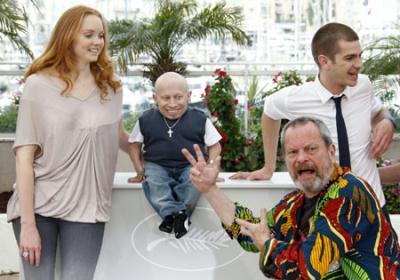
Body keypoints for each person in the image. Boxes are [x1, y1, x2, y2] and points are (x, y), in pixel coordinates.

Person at [182, 117, 400, 279]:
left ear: (332, 151)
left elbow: (308, 268)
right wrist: (209, 190)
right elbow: (251, 234)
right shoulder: (294, 204)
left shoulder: (348, 193)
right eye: (293, 152)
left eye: (311, 148)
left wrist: (267, 244)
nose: (302, 158)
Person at [6, 6, 128, 280]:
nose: (98, 42)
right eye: (89, 35)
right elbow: (24, 156)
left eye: (101, 35)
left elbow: (121, 137)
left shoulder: (112, 88)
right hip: (37, 205)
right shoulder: (38, 85)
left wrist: (149, 158)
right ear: (68, 36)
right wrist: (27, 225)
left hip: (88, 205)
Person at [231, 23, 395, 215]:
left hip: (373, 206)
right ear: (324, 61)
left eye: (360, 56)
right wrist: (269, 167)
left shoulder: (363, 85)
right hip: (328, 213)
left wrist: (387, 122)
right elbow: (270, 111)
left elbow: (377, 111)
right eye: (350, 58)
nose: (359, 64)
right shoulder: (296, 98)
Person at [127, 72, 221, 239]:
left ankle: (172, 217)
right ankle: (178, 215)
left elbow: (215, 145)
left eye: (178, 97)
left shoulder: (200, 118)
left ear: (189, 96)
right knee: (156, 184)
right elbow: (134, 144)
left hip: (189, 165)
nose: (172, 103)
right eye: (166, 98)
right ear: (155, 98)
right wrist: (139, 168)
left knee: (194, 183)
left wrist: (210, 166)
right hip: (157, 165)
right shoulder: (145, 119)